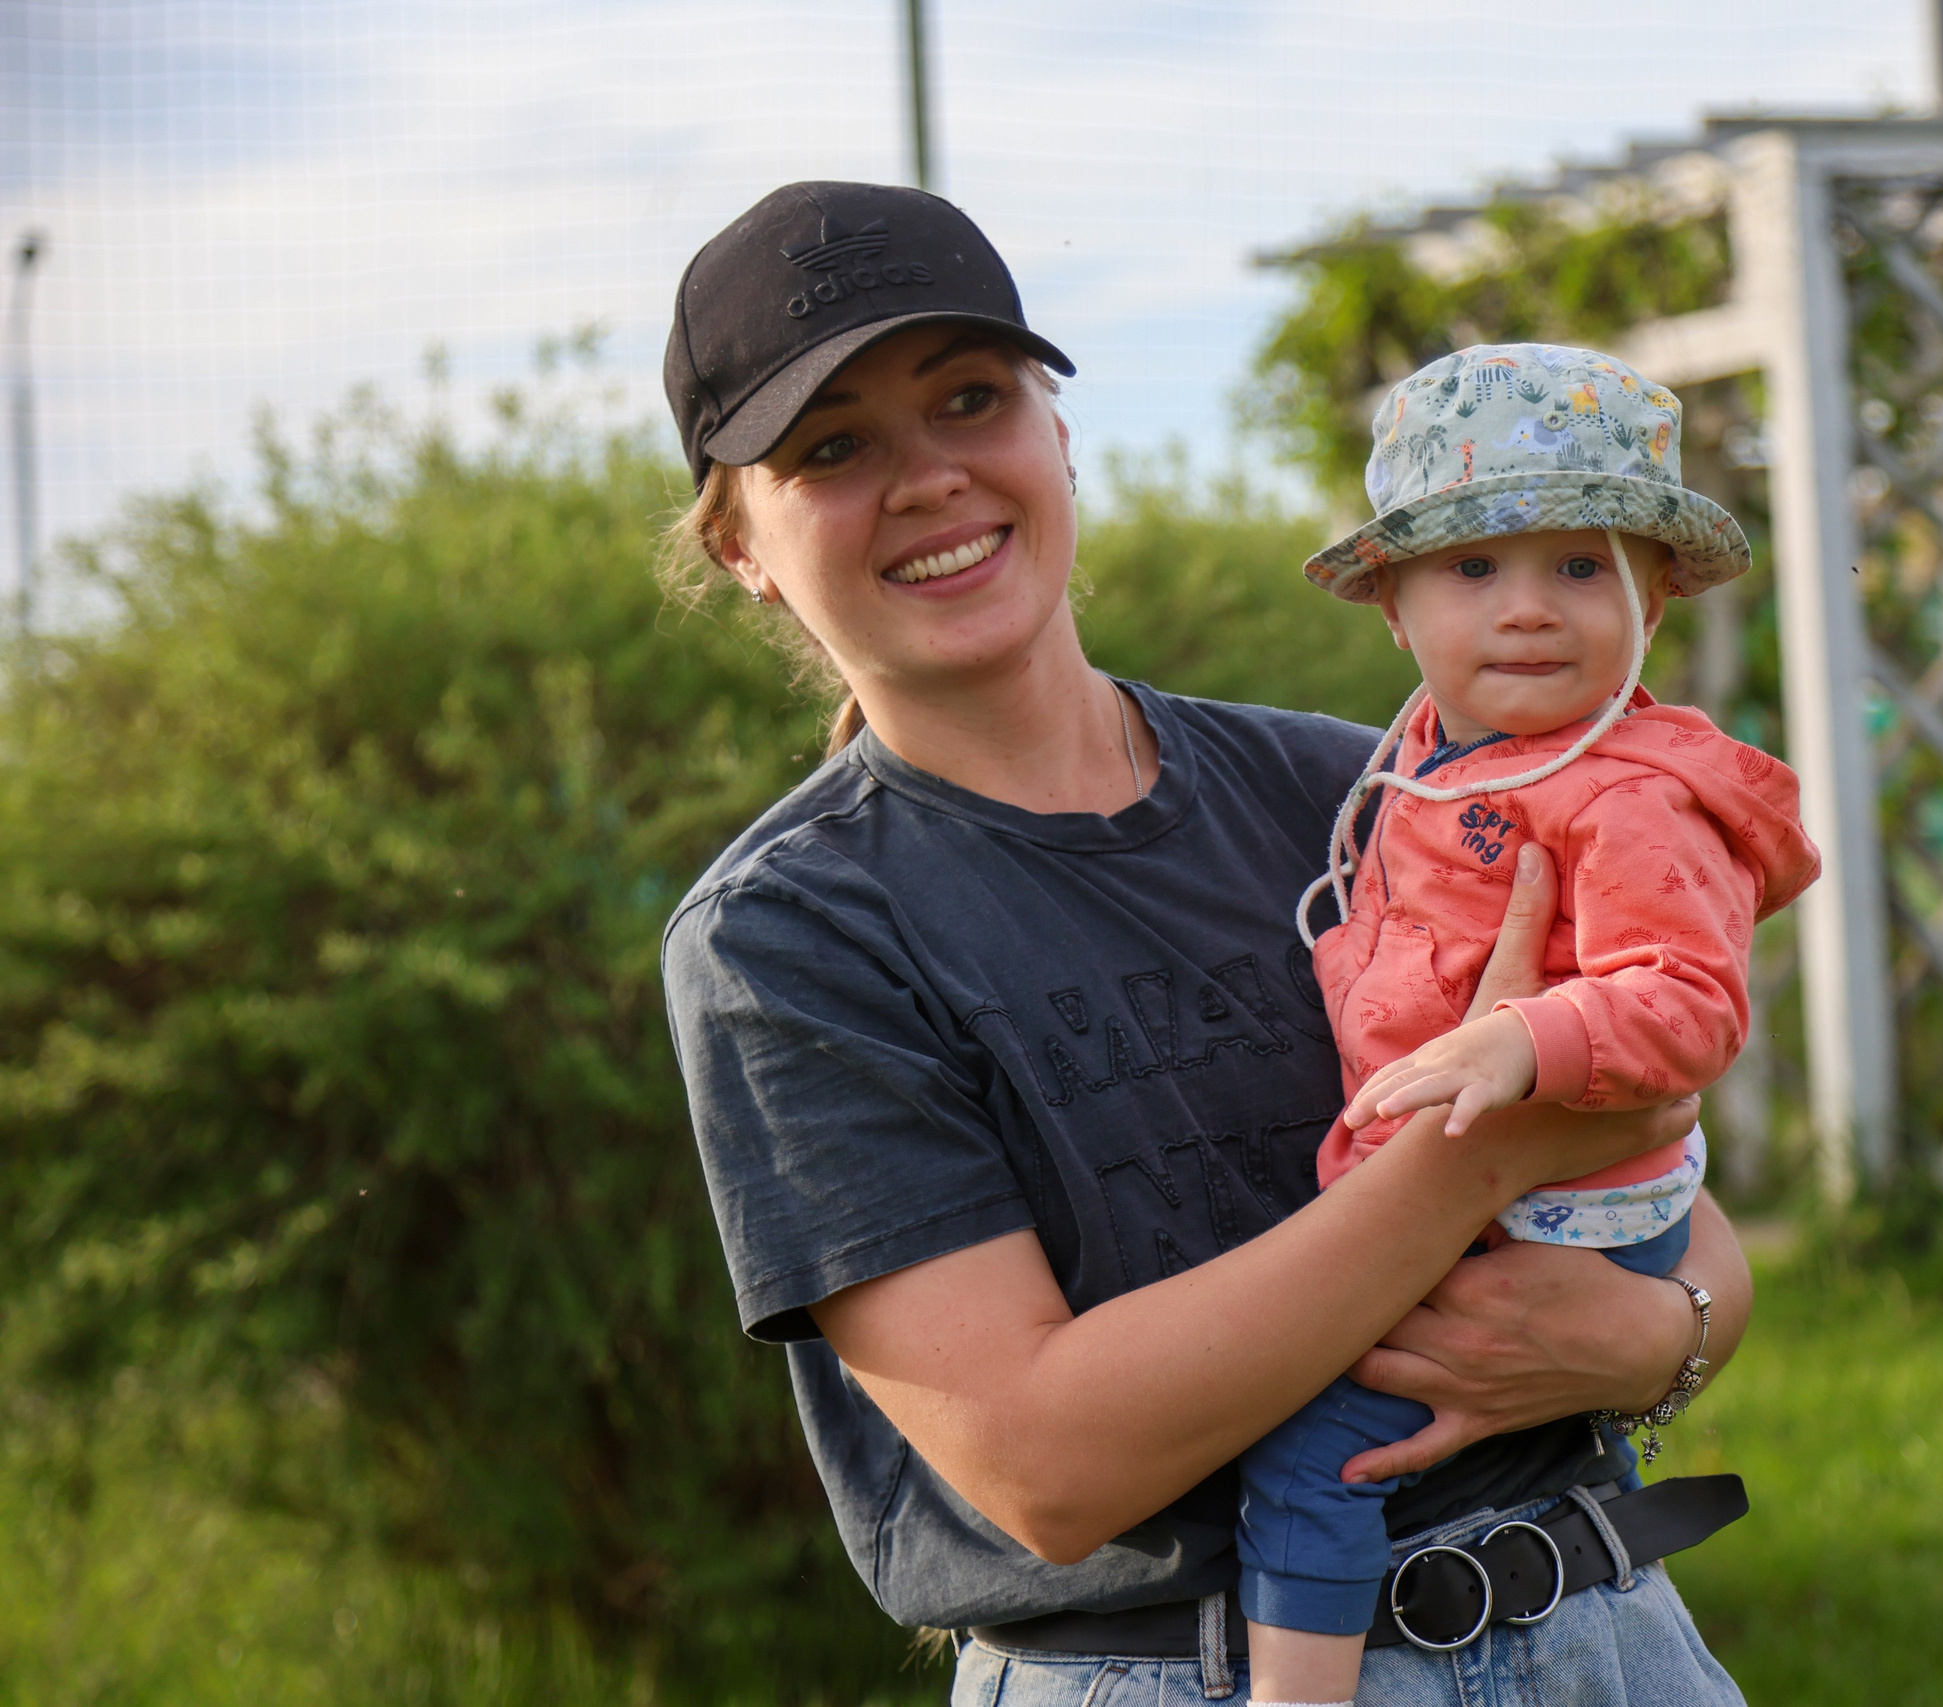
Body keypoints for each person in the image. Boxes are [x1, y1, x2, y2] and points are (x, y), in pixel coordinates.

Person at [657, 181, 1756, 1707]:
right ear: (742, 550)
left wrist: (1656, 1342)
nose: (924, 478)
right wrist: (1479, 1161)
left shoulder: (1359, 792)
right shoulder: (796, 936)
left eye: (971, 400)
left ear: (1057, 437)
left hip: (1605, 1636)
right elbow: (1047, 1465)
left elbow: (1677, 1211)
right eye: (832, 448)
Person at [1232, 345, 1820, 1706]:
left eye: (1578, 567)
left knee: (1313, 1441)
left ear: (1653, 597)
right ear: (1393, 606)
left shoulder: (1623, 793)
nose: (1529, 612)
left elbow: (1690, 1000)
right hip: (1517, 1183)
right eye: (1475, 570)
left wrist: (1525, 1043)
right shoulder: (1432, 759)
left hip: (1570, 1200)